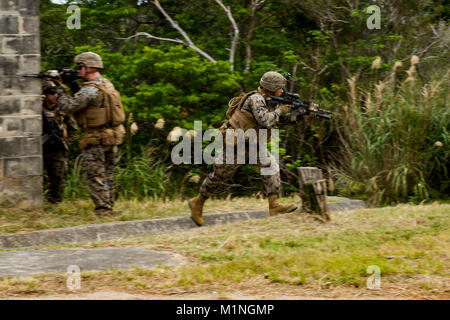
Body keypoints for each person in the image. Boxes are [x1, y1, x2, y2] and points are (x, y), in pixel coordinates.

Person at [189, 71, 298, 226]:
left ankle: (274, 206)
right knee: (221, 174)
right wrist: (281, 110)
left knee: (270, 165)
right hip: (237, 143)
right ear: (271, 87)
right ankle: (197, 203)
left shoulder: (269, 100)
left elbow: (275, 120)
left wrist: (294, 113)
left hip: (253, 143)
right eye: (280, 88)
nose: (282, 91)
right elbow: (265, 121)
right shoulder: (256, 99)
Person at [54, 52, 126, 216]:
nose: (78, 71)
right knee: (107, 174)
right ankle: (109, 206)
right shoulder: (107, 84)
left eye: (80, 67)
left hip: (96, 138)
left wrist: (59, 87)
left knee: (94, 175)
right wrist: (73, 86)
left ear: (90, 67)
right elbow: (90, 102)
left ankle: (103, 210)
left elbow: (68, 107)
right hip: (111, 136)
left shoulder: (90, 90)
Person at [42, 80, 78, 203]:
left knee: (59, 177)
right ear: (46, 94)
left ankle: (55, 202)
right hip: (41, 148)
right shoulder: (38, 110)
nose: (56, 95)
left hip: (57, 148)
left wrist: (66, 143)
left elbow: (74, 129)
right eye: (52, 93)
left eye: (57, 93)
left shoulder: (63, 110)